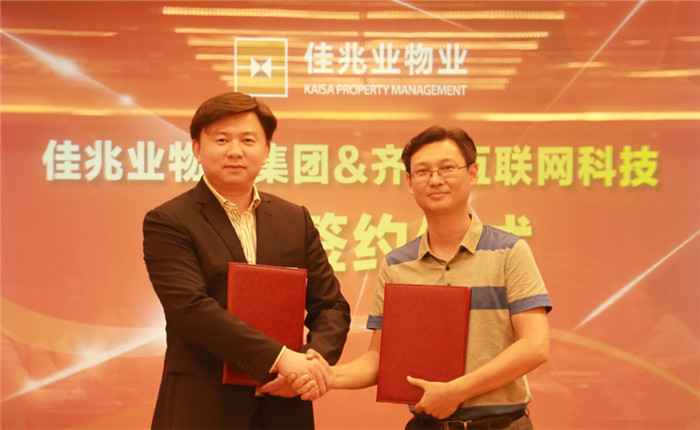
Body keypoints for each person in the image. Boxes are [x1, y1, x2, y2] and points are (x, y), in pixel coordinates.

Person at [295, 125, 552, 429]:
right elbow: (379, 359)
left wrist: (457, 391)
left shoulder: (509, 251)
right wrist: (324, 375)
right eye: (423, 171)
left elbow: (535, 346)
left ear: (472, 173)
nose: (435, 179)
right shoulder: (397, 265)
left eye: (447, 168)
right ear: (409, 182)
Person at [142, 91, 351, 429]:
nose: (235, 151)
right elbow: (191, 309)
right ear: (196, 148)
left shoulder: (294, 219)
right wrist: (281, 359)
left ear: (266, 150)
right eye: (222, 139)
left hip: (284, 406)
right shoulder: (169, 221)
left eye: (248, 140)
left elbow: (331, 306)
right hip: (203, 407)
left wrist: (309, 365)